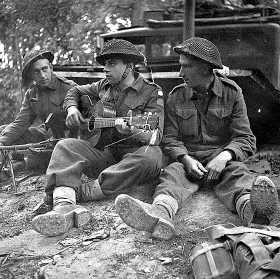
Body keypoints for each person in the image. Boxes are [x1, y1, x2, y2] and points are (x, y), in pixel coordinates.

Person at [114, 37, 279, 241]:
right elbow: (171, 140)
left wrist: (224, 157)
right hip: (188, 161)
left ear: (204, 68)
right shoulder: (176, 97)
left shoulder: (232, 94)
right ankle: (160, 215)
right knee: (172, 175)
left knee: (237, 174)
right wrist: (185, 159)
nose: (180, 73)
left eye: (186, 67)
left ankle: (254, 214)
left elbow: (245, 138)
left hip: (221, 162)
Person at [31, 39, 165, 237]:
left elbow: (156, 135)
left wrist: (133, 131)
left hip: (132, 158)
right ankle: (63, 207)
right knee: (65, 146)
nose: (105, 70)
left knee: (151, 157)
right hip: (106, 154)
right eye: (105, 65)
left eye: (112, 64)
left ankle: (80, 193)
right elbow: (74, 91)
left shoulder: (152, 92)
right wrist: (72, 108)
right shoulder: (103, 86)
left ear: (128, 67)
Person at [0, 49, 77, 168]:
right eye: (36, 72)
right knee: (2, 132)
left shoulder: (69, 88)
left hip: (68, 141)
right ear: (31, 75)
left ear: (51, 68)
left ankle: (22, 158)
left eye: (45, 69)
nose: (42, 75)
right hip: (47, 135)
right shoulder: (32, 94)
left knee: (34, 162)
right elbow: (20, 123)